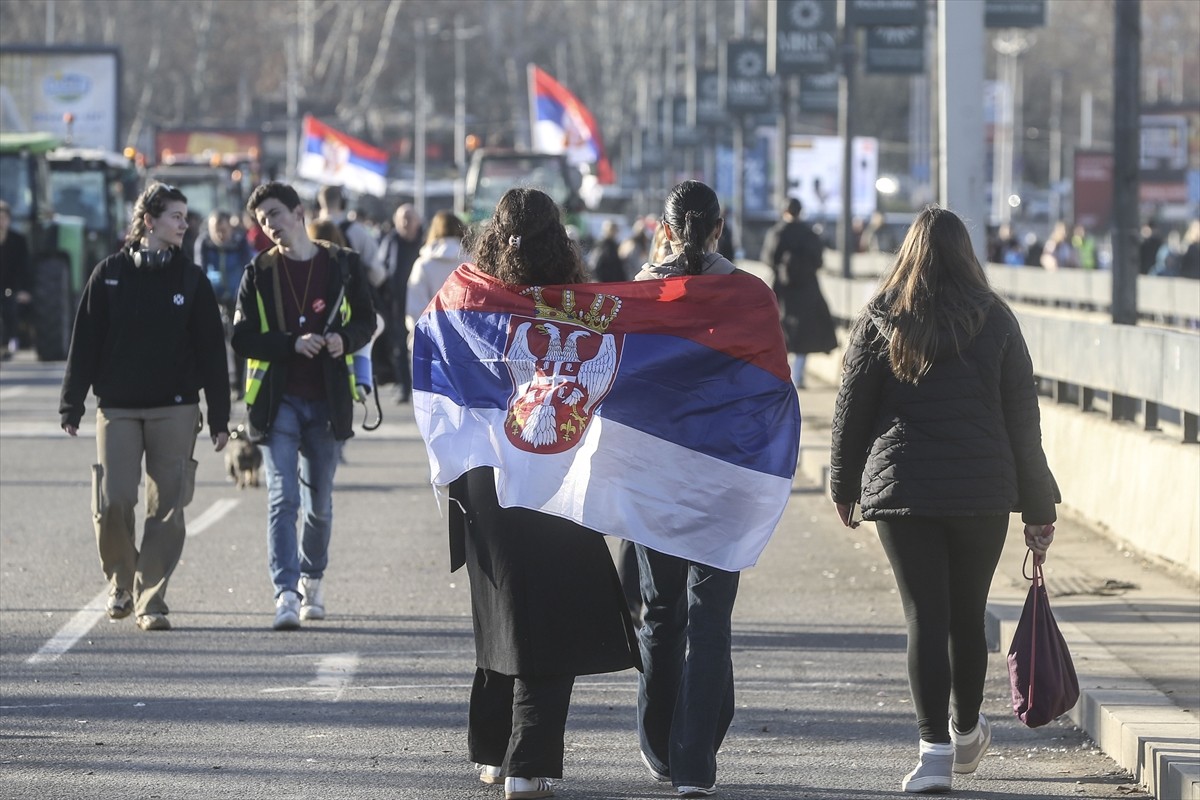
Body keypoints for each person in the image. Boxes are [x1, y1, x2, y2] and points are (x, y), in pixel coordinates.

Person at [829, 205, 1058, 794]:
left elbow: (851, 408)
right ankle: (963, 730)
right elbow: (1022, 422)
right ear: (966, 254)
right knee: (966, 617)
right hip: (981, 493)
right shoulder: (997, 320)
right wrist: (1038, 506)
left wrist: (843, 482)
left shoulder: (882, 317)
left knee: (923, 617)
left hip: (903, 490)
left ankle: (933, 753)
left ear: (907, 254)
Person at [431, 188, 639, 800]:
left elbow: (434, 373)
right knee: (552, 619)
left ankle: (493, 751)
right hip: (557, 474)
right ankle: (529, 761)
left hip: (485, 476)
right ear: (561, 239)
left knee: (502, 610)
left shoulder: (463, 299)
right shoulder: (586, 308)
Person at [58, 182, 231, 631]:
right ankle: (120, 582)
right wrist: (71, 404)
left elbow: (213, 352)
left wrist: (219, 418)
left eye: (185, 216)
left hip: (175, 408)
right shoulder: (109, 273)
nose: (184, 224)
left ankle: (150, 599)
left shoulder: (190, 281)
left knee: (168, 507)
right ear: (149, 221)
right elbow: (85, 344)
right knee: (114, 499)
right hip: (116, 407)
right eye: (176, 216)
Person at [631, 180, 744, 798]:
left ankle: (658, 742)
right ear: (720, 230)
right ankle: (695, 757)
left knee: (661, 605)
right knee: (711, 611)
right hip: (724, 471)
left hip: (654, 472)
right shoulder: (747, 297)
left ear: (665, 230)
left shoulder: (641, 294)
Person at [231, 182, 375, 630]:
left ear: (299, 212)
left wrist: (341, 339)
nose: (270, 226)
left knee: (319, 504)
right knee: (282, 499)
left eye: (275, 214)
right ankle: (285, 593)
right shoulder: (259, 271)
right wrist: (291, 343)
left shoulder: (342, 264)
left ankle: (313, 581)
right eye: (262, 220)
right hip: (279, 402)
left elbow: (367, 321)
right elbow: (242, 337)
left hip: (327, 401)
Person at [760, 197, 838, 390]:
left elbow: (769, 258)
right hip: (807, 289)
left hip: (783, 289)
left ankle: (780, 374)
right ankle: (798, 376)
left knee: (780, 331)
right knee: (804, 332)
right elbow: (819, 261)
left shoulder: (777, 232)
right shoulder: (809, 233)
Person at [195, 209, 253, 395]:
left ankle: (239, 384)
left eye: (224, 230)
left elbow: (247, 269)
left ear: (231, 229)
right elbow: (201, 270)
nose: (220, 235)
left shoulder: (240, 242)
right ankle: (219, 381)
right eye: (216, 230)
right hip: (214, 297)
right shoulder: (204, 243)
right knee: (215, 342)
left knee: (237, 339)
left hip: (236, 298)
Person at [378, 203, 423, 403]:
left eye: (409, 218)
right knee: (399, 348)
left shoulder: (425, 242)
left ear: (418, 221)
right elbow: (380, 271)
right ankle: (405, 387)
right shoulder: (390, 242)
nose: (405, 222)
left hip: (421, 304)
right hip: (396, 305)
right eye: (402, 219)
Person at [405, 209, 466, 328]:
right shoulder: (472, 261)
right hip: (466, 340)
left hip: (430, 338)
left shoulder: (423, 264)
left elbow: (415, 309)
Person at [316, 184, 386, 287]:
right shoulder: (357, 231)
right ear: (343, 204)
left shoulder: (308, 231)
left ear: (319, 204)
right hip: (349, 297)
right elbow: (377, 272)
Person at [0, 200, 32, 358]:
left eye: (3, 218)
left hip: (10, 288)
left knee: (9, 308)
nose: (0, 222)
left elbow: (25, 268)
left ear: (9, 220)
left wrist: (25, 290)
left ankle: (8, 343)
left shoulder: (18, 241)